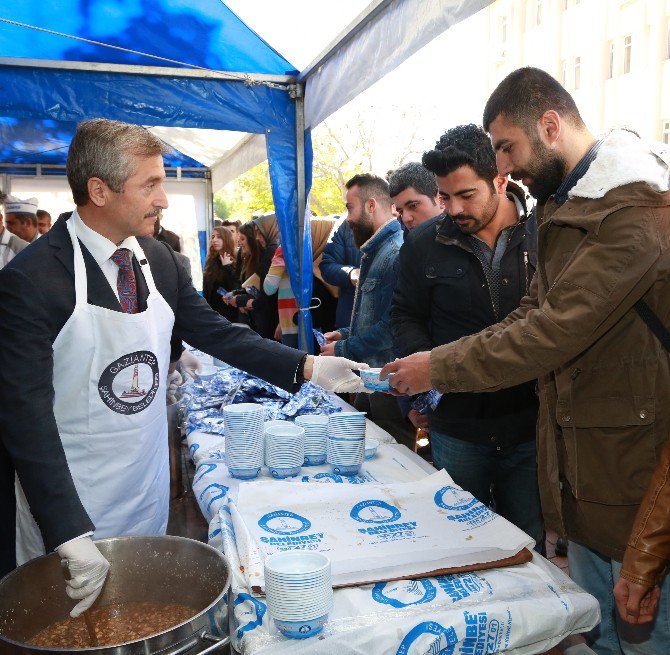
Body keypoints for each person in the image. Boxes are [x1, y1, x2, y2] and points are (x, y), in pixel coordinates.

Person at [0, 118, 368, 616]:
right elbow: (24, 415)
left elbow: (217, 333)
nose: (165, 200)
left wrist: (307, 368)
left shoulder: (159, 259)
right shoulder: (32, 279)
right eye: (150, 184)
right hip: (71, 502)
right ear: (99, 191)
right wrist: (66, 531)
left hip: (142, 486)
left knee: (140, 614)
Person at [382, 67, 670, 655]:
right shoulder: (566, 210)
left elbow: (548, 330)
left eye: (508, 148)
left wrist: (438, 368)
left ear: (550, 125)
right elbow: (532, 315)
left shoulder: (635, 212)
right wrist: (436, 361)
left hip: (634, 478)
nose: (505, 167)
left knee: (643, 633)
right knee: (597, 631)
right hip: (589, 476)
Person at [391, 124, 543, 550]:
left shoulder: (543, 236)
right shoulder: (424, 243)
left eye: (466, 195)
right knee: (459, 546)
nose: (453, 208)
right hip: (457, 427)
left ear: (500, 179)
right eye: (444, 196)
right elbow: (405, 316)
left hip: (529, 427)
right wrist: (424, 389)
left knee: (525, 548)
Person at [321, 174, 415, 449]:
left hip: (389, 382)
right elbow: (374, 317)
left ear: (371, 205)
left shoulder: (395, 252)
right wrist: (345, 334)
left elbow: (391, 329)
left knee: (397, 467)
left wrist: (343, 349)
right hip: (372, 379)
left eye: (350, 208)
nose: (347, 218)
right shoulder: (376, 252)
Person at [263, 217, 338, 348]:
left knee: (297, 366)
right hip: (323, 327)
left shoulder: (286, 250)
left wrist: (277, 259)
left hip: (292, 324)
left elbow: (269, 288)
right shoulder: (326, 257)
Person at [319, 217, 361, 329]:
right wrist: (350, 273)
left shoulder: (400, 221)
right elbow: (327, 265)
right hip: (350, 317)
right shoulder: (345, 225)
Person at [387, 162, 444, 232]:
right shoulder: (407, 241)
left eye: (413, 206)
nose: (405, 219)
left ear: (440, 199)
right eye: (401, 212)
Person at [202, 226, 239, 322]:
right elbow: (207, 288)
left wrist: (227, 266)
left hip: (229, 313)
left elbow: (235, 286)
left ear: (226, 239)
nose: (215, 240)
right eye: (213, 237)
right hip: (212, 312)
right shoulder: (211, 260)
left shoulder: (235, 260)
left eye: (219, 237)